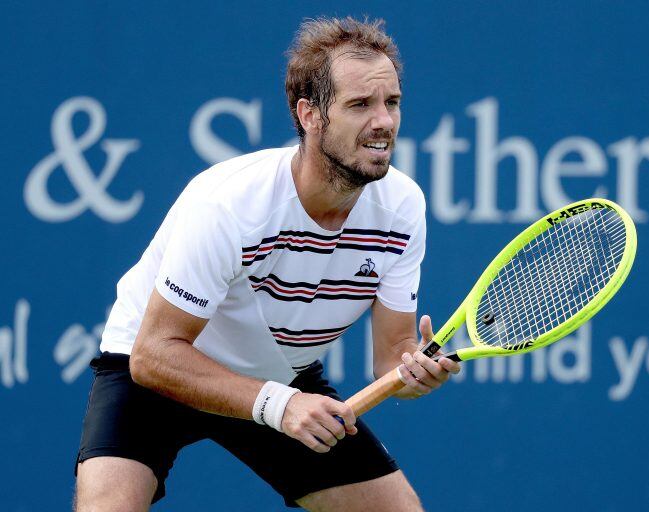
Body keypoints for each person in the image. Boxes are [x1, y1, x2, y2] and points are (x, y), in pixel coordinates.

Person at [74, 16, 460, 512]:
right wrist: (280, 405)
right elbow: (153, 355)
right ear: (310, 115)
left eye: (392, 102)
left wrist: (414, 373)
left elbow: (393, 358)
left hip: (279, 371)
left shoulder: (402, 207)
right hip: (162, 366)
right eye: (360, 104)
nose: (384, 121)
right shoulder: (231, 204)